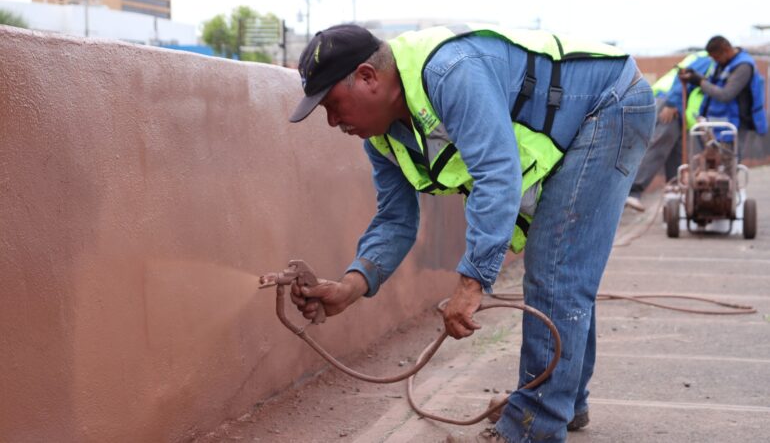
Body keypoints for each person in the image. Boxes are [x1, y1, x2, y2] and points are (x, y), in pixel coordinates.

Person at [288, 23, 655, 442]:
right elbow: (395, 220)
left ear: (368, 77)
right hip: (583, 120)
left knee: (556, 267)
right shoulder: (384, 141)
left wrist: (472, 281)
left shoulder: (450, 72)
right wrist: (351, 287)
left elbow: (497, 175)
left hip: (607, 104)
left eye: (333, 104)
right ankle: (563, 401)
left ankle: (533, 426)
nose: (334, 121)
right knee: (559, 267)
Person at [625, 52, 714, 211]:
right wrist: (672, 103)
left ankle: (676, 195)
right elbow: (682, 77)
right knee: (658, 145)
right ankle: (632, 192)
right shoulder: (708, 60)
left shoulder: (711, 62)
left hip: (680, 113)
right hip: (669, 104)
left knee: (678, 155)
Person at [680, 35, 767, 145]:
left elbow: (725, 94)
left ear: (726, 51)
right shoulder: (720, 64)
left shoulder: (743, 66)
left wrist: (700, 82)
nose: (715, 60)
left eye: (716, 57)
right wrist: (696, 77)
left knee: (729, 160)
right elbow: (712, 84)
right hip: (716, 125)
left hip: (733, 125)